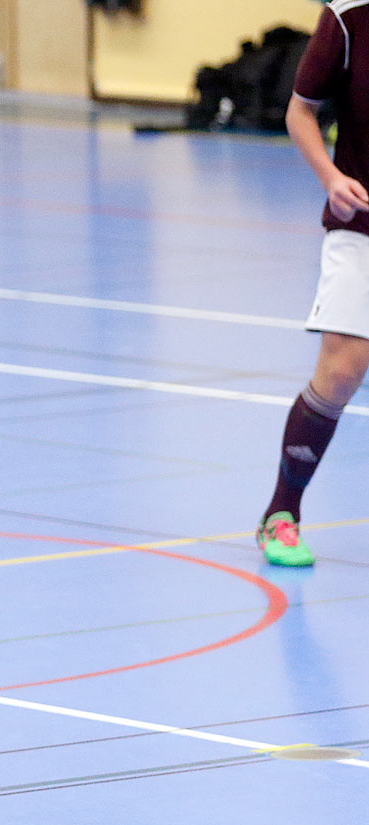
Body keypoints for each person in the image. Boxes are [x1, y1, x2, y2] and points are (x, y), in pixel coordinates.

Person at [257, 0, 369, 567]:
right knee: (341, 371)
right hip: (362, 226)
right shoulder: (349, 16)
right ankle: (282, 514)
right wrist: (331, 178)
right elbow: (301, 112)